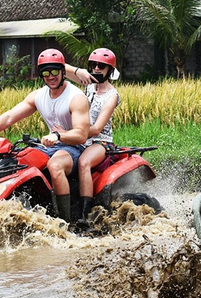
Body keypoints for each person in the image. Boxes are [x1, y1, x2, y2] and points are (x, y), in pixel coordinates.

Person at [0, 48, 90, 222]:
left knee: (55, 166)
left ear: (63, 71)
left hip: (74, 148)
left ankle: (65, 223)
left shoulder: (76, 97)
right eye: (46, 72)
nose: (51, 76)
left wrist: (58, 136)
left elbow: (81, 134)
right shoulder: (38, 96)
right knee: (17, 163)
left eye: (55, 71)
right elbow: (10, 117)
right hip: (48, 146)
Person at [63, 48, 120, 224]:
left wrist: (66, 134)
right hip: (79, 138)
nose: (96, 68)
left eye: (101, 66)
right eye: (93, 65)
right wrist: (79, 71)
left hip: (100, 141)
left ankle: (85, 214)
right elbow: (59, 68)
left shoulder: (112, 96)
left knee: (84, 162)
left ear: (110, 70)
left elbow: (96, 128)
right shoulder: (88, 85)